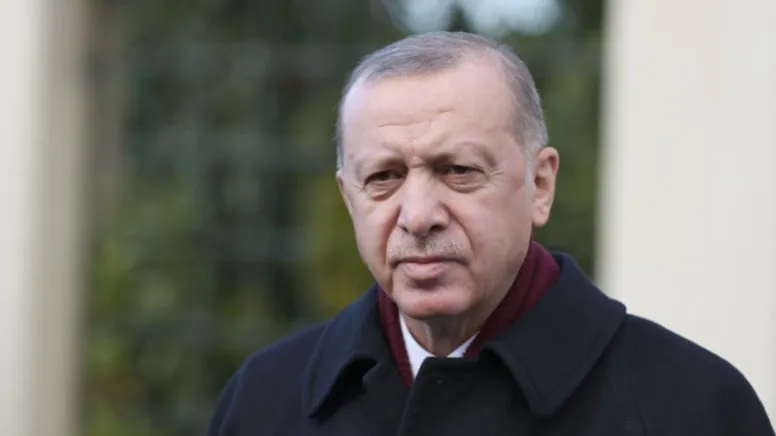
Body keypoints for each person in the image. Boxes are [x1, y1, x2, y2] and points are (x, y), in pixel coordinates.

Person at [206, 31, 775, 436]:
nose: (418, 215)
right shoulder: (263, 402)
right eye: (384, 177)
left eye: (458, 170)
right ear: (348, 197)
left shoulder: (691, 408)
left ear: (540, 185)